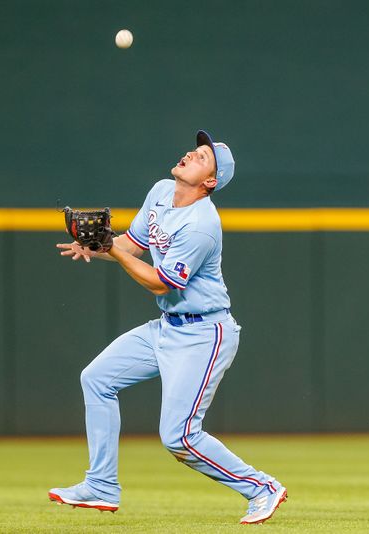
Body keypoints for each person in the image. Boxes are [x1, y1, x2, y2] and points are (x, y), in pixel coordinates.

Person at [52, 131, 287, 524]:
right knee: (97, 379)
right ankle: (101, 485)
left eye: (200, 157)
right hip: (167, 327)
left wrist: (110, 249)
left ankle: (261, 487)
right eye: (193, 151)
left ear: (210, 181)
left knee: (179, 437)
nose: (189, 155)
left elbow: (161, 282)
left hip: (204, 334)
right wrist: (98, 246)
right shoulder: (161, 191)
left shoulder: (202, 225)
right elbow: (131, 244)